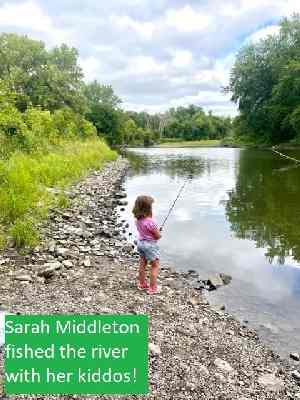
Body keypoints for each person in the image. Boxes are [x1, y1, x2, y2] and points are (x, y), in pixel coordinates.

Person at [132, 195, 162, 295]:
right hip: (150, 246)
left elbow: (145, 232)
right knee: (154, 266)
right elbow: (157, 237)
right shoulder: (151, 222)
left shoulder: (138, 221)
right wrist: (158, 232)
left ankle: (142, 284)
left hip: (140, 244)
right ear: (148, 209)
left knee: (142, 264)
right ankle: (153, 288)